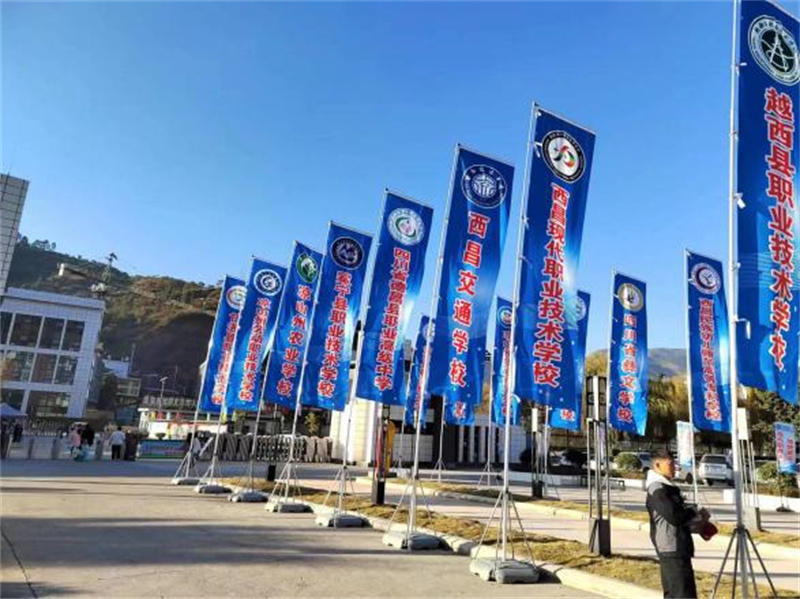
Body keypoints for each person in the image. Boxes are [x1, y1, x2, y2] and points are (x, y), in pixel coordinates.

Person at [646, 450, 706, 599]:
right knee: (681, 592)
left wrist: (697, 521)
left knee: (679, 591)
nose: (674, 468)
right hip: (671, 546)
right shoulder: (658, 489)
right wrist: (692, 511)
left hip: (677, 544)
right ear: (657, 465)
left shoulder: (667, 487)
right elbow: (674, 516)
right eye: (671, 464)